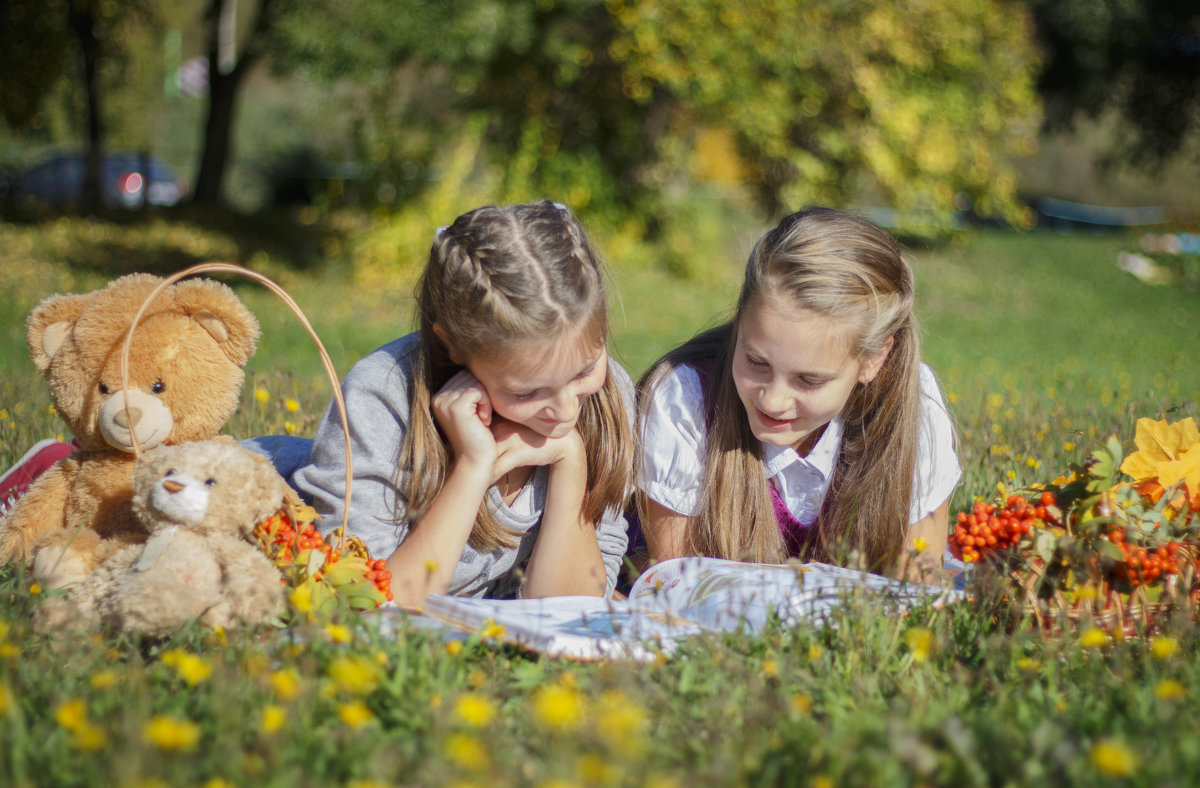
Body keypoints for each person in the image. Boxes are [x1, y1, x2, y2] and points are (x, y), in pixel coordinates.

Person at [256, 201, 635, 606]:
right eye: (526, 393)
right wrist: (472, 467)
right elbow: (364, 600)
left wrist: (571, 459)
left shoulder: (607, 400)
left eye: (584, 371)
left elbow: (574, 609)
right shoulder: (382, 397)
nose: (564, 411)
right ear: (451, 343)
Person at [633, 207, 960, 581]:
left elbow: (918, 588)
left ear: (874, 359)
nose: (772, 400)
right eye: (756, 361)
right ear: (740, 322)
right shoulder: (687, 399)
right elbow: (678, 588)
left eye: (809, 380)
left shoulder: (912, 409)